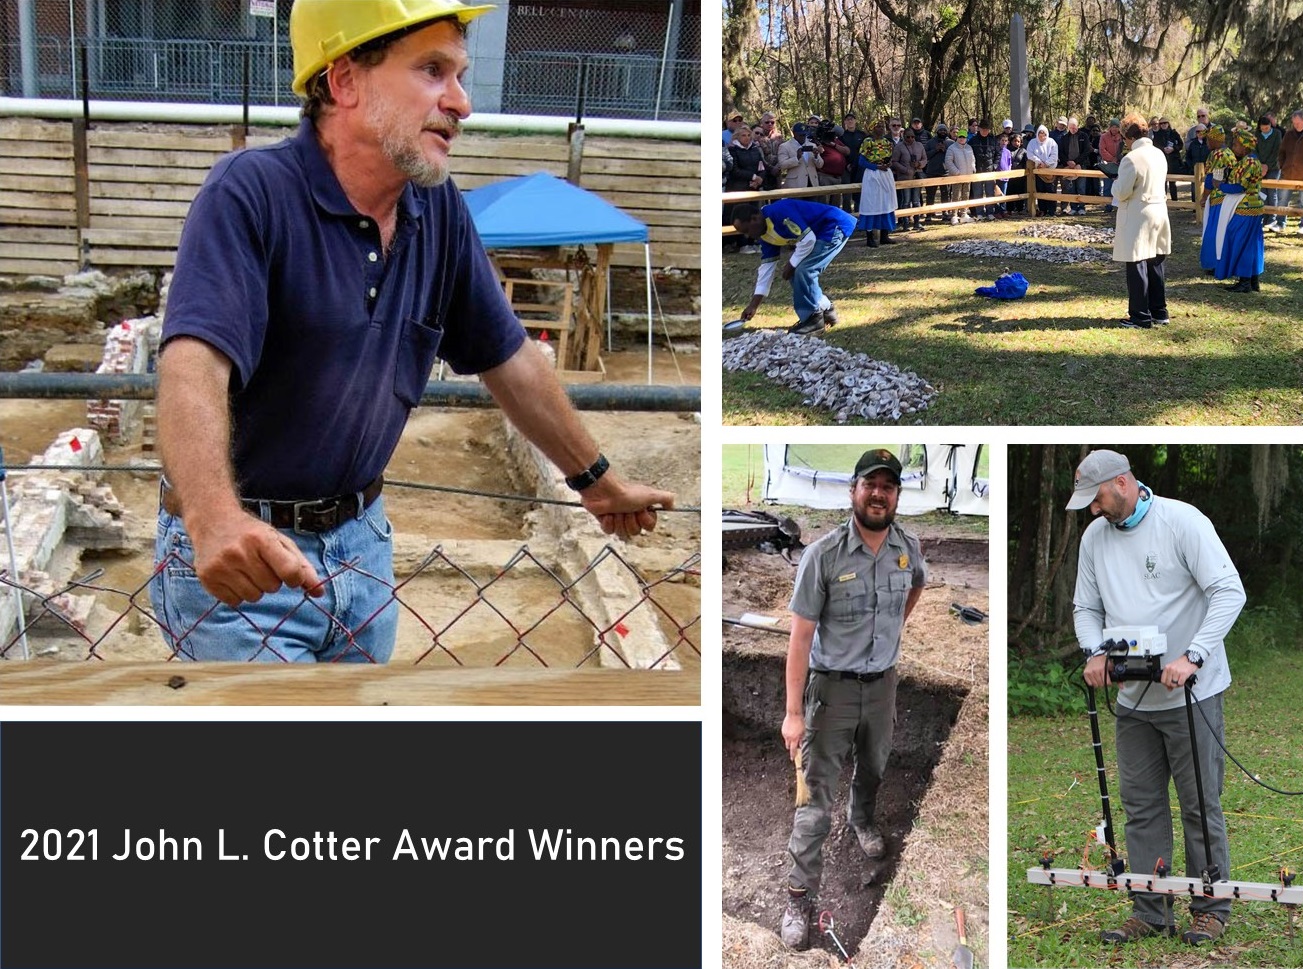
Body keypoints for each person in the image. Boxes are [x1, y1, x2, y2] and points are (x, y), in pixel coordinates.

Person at [152, 0, 675, 663]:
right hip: (252, 552)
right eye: (432, 71)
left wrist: (595, 479)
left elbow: (508, 357)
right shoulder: (251, 194)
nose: (460, 102)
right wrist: (212, 516)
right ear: (344, 81)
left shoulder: (438, 208)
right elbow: (193, 363)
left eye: (460, 75)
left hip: (361, 545)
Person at [1069, 449, 1245, 947]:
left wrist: (1193, 655)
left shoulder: (1182, 522)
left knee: (1198, 804)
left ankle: (1210, 908)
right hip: (1133, 701)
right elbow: (1086, 606)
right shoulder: (1093, 538)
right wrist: (1096, 651)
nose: (1092, 509)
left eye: (1097, 497)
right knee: (1141, 806)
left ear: (1122, 483)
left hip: (1192, 695)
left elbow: (1229, 592)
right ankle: (1151, 908)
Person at [778, 449, 926, 950]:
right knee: (814, 798)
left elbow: (915, 588)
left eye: (888, 486)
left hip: (882, 687)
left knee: (876, 765)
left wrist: (888, 635)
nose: (878, 494)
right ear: (853, 491)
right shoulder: (823, 555)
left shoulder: (908, 547)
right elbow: (799, 638)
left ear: (897, 496)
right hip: (831, 691)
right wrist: (794, 713)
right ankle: (800, 896)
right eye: (870, 484)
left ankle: (861, 818)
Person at [732, 198, 857, 335]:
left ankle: (813, 320)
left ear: (755, 219)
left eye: (747, 230)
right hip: (818, 234)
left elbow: (808, 239)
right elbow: (766, 268)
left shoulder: (779, 212)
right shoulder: (764, 235)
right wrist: (753, 305)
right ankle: (826, 309)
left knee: (804, 271)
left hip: (833, 226)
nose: (747, 235)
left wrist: (791, 264)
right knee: (797, 273)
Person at [1111, 115, 1171, 328]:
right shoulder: (1159, 154)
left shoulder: (1131, 158)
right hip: (1159, 211)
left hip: (1138, 214)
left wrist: (1115, 183)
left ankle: (1140, 316)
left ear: (1128, 136)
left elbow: (1123, 192)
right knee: (1155, 262)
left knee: (1136, 264)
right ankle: (1159, 311)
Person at [1216, 129, 1267, 292]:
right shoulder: (1251, 160)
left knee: (1240, 240)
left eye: (1236, 144)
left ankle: (1245, 281)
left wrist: (1220, 186)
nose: (1233, 147)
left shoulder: (1249, 162)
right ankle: (1252, 280)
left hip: (1246, 206)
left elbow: (1240, 186)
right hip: (1254, 207)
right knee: (1252, 243)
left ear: (1244, 147)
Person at [1197, 125, 1234, 274]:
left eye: (1208, 139)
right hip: (1230, 198)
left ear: (1214, 139)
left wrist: (1204, 196)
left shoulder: (1217, 155)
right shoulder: (1229, 152)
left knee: (1214, 231)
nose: (1207, 143)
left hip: (1219, 199)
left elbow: (1214, 179)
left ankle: (1214, 263)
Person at [725, 124, 767, 253]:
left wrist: (759, 179)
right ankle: (742, 244)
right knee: (742, 217)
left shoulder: (755, 149)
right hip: (738, 188)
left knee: (754, 215)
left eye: (749, 135)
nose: (747, 138)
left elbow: (762, 167)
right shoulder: (733, 150)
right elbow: (734, 170)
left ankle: (753, 242)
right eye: (743, 135)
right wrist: (753, 176)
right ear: (737, 136)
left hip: (753, 188)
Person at [856, 121, 899, 246]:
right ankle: (870, 237)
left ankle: (884, 235)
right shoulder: (867, 142)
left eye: (882, 127)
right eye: (878, 127)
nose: (881, 129)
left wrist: (888, 164)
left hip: (886, 175)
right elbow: (861, 161)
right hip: (872, 175)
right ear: (872, 128)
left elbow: (890, 157)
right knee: (872, 204)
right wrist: (876, 167)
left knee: (886, 202)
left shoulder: (887, 143)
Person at [1254, 113, 1283, 229]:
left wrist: (1266, 166)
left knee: (1272, 192)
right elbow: (1254, 151)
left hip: (1274, 167)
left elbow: (1277, 151)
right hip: (1260, 167)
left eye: (1267, 128)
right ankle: (1264, 216)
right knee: (1262, 192)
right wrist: (1260, 165)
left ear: (1271, 125)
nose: (1265, 130)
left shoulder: (1277, 134)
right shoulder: (1256, 135)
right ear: (1260, 127)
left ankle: (1272, 217)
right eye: (1263, 128)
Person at [944, 129, 977, 224]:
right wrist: (956, 172)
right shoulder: (952, 148)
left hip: (968, 176)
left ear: (966, 138)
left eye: (964, 137)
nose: (962, 139)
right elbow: (948, 162)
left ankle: (964, 214)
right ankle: (954, 215)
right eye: (960, 137)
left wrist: (973, 169)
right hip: (957, 176)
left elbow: (973, 159)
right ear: (957, 138)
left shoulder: (969, 148)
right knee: (956, 195)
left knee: (966, 195)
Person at [1027, 124, 1060, 217]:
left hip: (1050, 170)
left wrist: (1046, 163)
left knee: (1050, 190)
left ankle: (1052, 211)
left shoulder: (1052, 142)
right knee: (1040, 190)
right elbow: (1029, 154)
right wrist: (1038, 161)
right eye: (1040, 135)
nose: (1042, 137)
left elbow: (1054, 156)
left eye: (1044, 135)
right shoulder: (1032, 142)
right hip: (1038, 170)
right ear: (1037, 135)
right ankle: (1043, 210)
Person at [778, 122, 824, 189]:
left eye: (804, 135)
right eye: (801, 135)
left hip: (812, 183)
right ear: (794, 133)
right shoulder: (785, 146)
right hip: (795, 185)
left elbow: (820, 165)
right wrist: (796, 158)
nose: (803, 137)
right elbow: (782, 165)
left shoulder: (812, 145)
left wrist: (816, 156)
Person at [1097, 118, 1123, 198]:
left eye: (1116, 127)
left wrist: (1119, 158)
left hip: (1120, 164)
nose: (1114, 128)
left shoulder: (1123, 137)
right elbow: (1102, 150)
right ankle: (1107, 206)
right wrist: (1112, 159)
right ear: (1110, 127)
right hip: (1108, 164)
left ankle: (1118, 206)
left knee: (1120, 185)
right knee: (1107, 186)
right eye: (1113, 126)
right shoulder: (1104, 137)